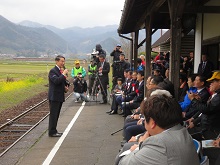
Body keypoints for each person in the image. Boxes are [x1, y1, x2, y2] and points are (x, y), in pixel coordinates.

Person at [116, 94, 199, 165]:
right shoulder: (182, 132)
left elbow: (122, 162)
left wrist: (137, 148)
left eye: (144, 119)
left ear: (152, 123)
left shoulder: (158, 145)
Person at [187, 71, 220, 140]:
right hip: (205, 128)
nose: (210, 84)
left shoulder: (218, 97)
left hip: (211, 131)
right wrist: (199, 100)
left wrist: (193, 100)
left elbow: (206, 109)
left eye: (213, 82)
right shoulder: (216, 95)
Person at [48, 55, 68, 137]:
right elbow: (56, 81)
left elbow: (61, 82)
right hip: (54, 96)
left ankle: (54, 130)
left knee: (56, 114)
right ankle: (52, 132)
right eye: (61, 61)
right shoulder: (53, 71)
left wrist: (65, 88)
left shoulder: (59, 70)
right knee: (53, 114)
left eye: (64, 61)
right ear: (56, 61)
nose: (63, 63)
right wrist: (63, 74)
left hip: (59, 95)